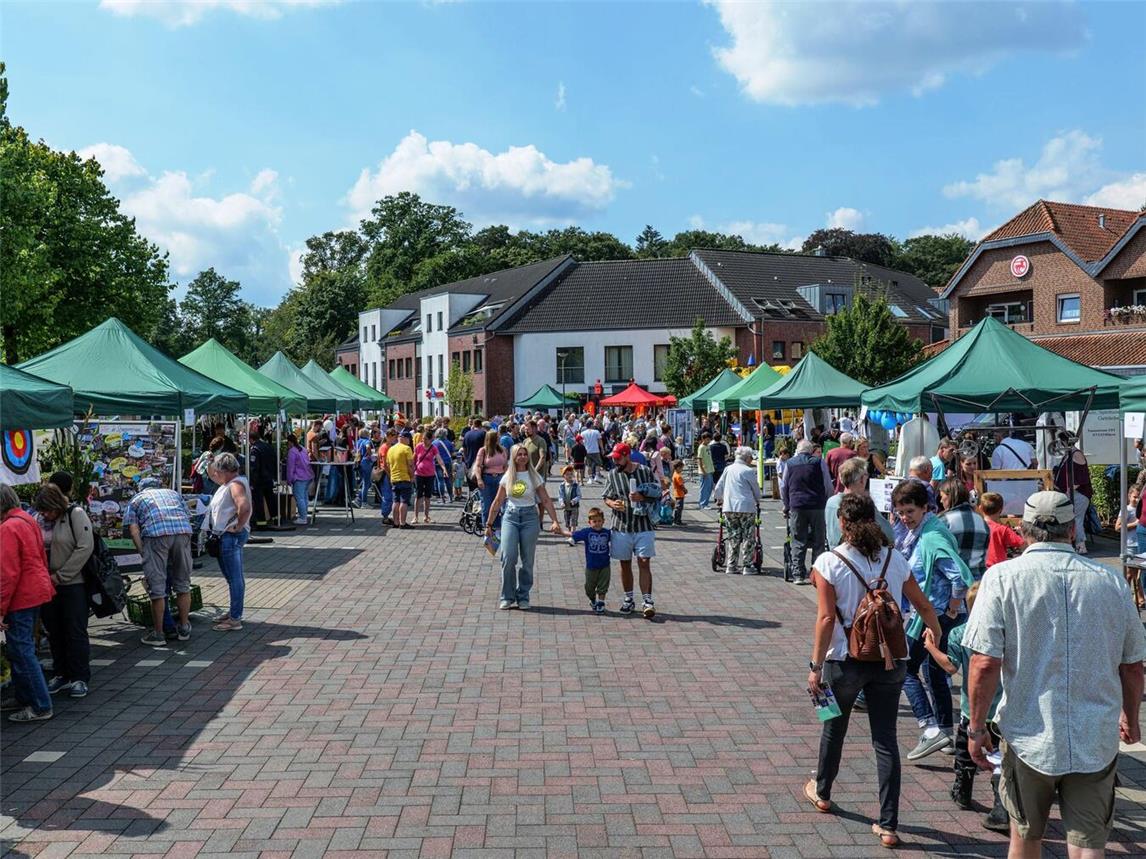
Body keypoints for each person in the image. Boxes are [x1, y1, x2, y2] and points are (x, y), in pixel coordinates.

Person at [965, 491, 1146, 857]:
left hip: (1028, 731)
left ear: (1024, 529)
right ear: (1073, 528)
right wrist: (1131, 715)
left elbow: (984, 663)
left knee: (1026, 835)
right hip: (1094, 732)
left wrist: (976, 727)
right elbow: (1132, 665)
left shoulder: (1001, 578)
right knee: (1087, 842)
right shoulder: (1110, 581)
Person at [805, 494, 941, 849]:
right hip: (890, 661)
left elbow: (825, 618)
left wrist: (815, 667)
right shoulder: (895, 559)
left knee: (834, 726)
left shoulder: (829, 562)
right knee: (885, 738)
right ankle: (888, 824)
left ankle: (822, 791)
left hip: (842, 660)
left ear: (843, 524)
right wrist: (935, 631)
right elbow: (922, 603)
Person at [891, 480, 973, 762]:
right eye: (900, 511)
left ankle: (930, 728)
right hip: (930, 614)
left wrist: (950, 610)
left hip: (932, 615)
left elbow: (960, 579)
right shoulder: (922, 532)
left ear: (925, 507)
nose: (904, 517)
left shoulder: (930, 537)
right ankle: (947, 735)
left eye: (910, 510)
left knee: (904, 669)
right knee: (936, 673)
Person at [921, 582, 1008, 830]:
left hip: (972, 710)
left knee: (964, 755)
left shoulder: (962, 632)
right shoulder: (1007, 631)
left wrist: (930, 647)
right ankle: (1000, 802)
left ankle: (963, 791)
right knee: (998, 757)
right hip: (1001, 709)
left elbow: (949, 666)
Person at [1, 483, 56, 722]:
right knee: (23, 648)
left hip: (21, 596)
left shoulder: (8, 528)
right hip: (36, 590)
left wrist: (0, 610)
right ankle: (25, 697)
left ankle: (40, 704)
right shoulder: (26, 519)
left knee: (21, 650)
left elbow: (6, 573)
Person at [485, 444, 564, 610]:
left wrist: (555, 521)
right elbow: (498, 501)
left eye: (524, 454)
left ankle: (523, 596)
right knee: (508, 557)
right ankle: (507, 596)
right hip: (510, 517)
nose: (522, 457)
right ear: (513, 457)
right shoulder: (508, 476)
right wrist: (489, 524)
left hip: (529, 518)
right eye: (519, 454)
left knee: (527, 561)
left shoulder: (533, 476)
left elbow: (546, 500)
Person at [33, 484, 93, 698]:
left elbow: (85, 546)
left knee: (75, 630)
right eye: (42, 511)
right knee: (54, 630)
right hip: (46, 585)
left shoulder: (75, 514)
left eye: (47, 510)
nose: (45, 515)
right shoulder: (38, 520)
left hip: (72, 583)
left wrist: (61, 576)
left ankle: (79, 677)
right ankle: (61, 673)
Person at [124, 476, 194, 645]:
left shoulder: (137, 499)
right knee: (183, 584)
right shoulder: (173, 493)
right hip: (183, 532)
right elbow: (187, 516)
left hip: (156, 536)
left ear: (142, 488)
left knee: (157, 587)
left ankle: (159, 634)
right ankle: (184, 628)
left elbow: (134, 531)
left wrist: (143, 552)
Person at [602, 442, 661, 617]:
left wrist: (642, 496)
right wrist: (613, 503)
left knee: (644, 561)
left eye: (618, 459)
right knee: (624, 563)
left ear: (627, 456)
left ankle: (647, 600)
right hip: (621, 525)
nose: (615, 462)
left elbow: (657, 493)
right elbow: (606, 496)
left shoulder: (644, 470)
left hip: (643, 524)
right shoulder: (613, 475)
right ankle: (628, 599)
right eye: (614, 459)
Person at [207, 453, 252, 631]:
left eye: (218, 471)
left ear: (224, 471)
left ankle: (235, 618)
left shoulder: (235, 485)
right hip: (226, 535)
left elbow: (244, 506)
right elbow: (212, 475)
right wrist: (210, 462)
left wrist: (239, 526)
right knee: (232, 577)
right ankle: (234, 612)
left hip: (230, 535)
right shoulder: (232, 482)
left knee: (234, 578)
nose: (215, 475)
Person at [782, 439, 833, 586]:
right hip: (817, 505)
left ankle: (798, 574)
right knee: (819, 540)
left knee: (798, 539)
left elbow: (784, 486)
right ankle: (816, 573)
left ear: (798, 450)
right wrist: (828, 501)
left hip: (797, 505)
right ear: (811, 451)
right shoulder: (818, 462)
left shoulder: (789, 464)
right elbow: (827, 485)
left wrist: (786, 505)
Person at [825, 457, 895, 548]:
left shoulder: (831, 502)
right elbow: (889, 534)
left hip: (835, 553)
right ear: (861, 479)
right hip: (859, 556)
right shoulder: (863, 503)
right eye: (866, 475)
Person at [714, 446, 762, 576]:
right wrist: (758, 499)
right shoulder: (748, 471)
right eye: (751, 457)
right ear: (746, 458)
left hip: (729, 507)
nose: (751, 459)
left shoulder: (728, 469)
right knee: (748, 536)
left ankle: (731, 564)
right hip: (746, 507)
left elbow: (719, 487)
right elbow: (756, 490)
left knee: (733, 536)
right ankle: (747, 565)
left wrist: (719, 498)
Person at [938, 479, 990, 581]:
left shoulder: (943, 521)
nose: (940, 501)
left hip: (952, 582)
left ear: (950, 496)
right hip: (978, 581)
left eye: (942, 496)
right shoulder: (981, 520)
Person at [569, 507, 612, 614]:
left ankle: (601, 603)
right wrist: (561, 532)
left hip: (604, 565)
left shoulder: (607, 533)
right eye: (594, 521)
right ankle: (593, 600)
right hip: (591, 566)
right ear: (589, 522)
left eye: (599, 521)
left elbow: (617, 537)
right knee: (589, 587)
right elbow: (574, 535)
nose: (597, 524)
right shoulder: (587, 532)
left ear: (603, 521)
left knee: (603, 585)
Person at [1054, 440, 1093, 555]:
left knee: (1077, 519)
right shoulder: (1069, 453)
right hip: (1072, 493)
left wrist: (1069, 491)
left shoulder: (1076, 454)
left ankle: (1081, 545)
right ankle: (1077, 544)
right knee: (1074, 518)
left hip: (1078, 494)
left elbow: (1081, 477)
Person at [472, 430, 507, 538]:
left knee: (500, 504)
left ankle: (498, 528)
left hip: (500, 478)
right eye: (497, 437)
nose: (499, 438)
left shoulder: (502, 450)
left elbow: (506, 465)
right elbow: (478, 466)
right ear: (492, 438)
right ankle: (487, 528)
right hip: (487, 479)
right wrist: (479, 479)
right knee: (487, 505)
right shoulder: (483, 451)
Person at [978, 492, 1023, 569]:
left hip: (980, 568)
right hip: (998, 569)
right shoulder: (1003, 530)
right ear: (1001, 510)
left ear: (980, 508)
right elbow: (1022, 544)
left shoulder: (976, 527)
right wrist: (1021, 531)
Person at [412, 433, 447, 524]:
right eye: (423, 439)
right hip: (419, 474)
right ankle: (415, 517)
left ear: (431, 439)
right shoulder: (419, 446)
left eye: (425, 439)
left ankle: (426, 516)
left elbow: (439, 459)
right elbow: (413, 459)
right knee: (418, 495)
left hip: (430, 475)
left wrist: (444, 468)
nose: (423, 440)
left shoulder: (433, 448)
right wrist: (411, 472)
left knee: (427, 496)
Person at [285, 433, 312, 526]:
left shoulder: (292, 451)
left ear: (289, 442)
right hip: (307, 476)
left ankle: (302, 517)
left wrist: (289, 479)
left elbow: (290, 467)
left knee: (299, 497)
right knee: (304, 497)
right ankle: (304, 515)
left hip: (299, 477)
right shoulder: (303, 448)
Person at [377, 427, 397, 525]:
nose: (395, 438)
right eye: (393, 436)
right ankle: (385, 516)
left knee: (389, 495)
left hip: (389, 472)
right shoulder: (385, 447)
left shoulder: (389, 446)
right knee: (387, 496)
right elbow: (384, 464)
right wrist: (390, 476)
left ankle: (387, 515)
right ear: (389, 436)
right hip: (386, 473)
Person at [354, 428, 375, 507]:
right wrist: (370, 455)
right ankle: (364, 502)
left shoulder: (358, 441)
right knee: (366, 483)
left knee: (365, 482)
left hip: (359, 462)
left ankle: (359, 499)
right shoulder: (367, 441)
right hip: (366, 462)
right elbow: (368, 447)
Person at [558, 465, 581, 533]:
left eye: (571, 474)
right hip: (566, 507)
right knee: (568, 523)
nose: (569, 476)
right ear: (563, 476)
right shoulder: (562, 486)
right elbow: (560, 496)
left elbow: (579, 495)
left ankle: (572, 536)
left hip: (574, 507)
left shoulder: (576, 485)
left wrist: (575, 500)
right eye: (567, 474)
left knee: (573, 522)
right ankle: (570, 533)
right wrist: (561, 502)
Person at [696, 432, 714, 510]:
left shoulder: (708, 446)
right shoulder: (701, 447)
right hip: (704, 471)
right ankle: (703, 504)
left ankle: (705, 503)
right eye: (707, 439)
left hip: (710, 469)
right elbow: (699, 459)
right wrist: (703, 470)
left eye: (709, 439)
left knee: (709, 488)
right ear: (703, 439)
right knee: (704, 488)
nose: (708, 441)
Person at [670, 459, 687, 525]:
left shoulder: (674, 474)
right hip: (679, 493)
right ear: (678, 468)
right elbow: (681, 485)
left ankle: (677, 520)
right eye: (681, 468)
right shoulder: (678, 476)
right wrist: (685, 490)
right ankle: (677, 520)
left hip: (677, 493)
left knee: (678, 507)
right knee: (679, 508)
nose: (682, 470)